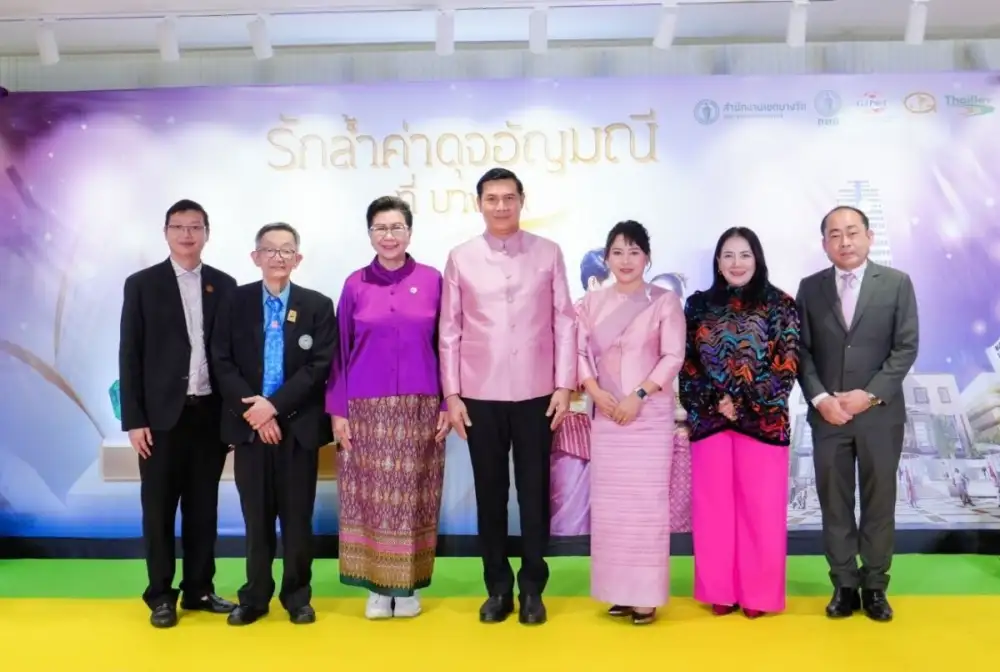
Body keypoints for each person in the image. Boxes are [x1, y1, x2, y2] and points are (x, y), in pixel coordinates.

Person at [439, 167, 576, 625]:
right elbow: (450, 330)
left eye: (509, 197)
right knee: (490, 494)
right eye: (492, 198)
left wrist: (564, 385)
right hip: (479, 393)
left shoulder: (548, 253)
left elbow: (565, 321)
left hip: (538, 392)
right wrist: (452, 394)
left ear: (522, 200)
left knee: (535, 494)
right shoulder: (461, 257)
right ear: (479, 203)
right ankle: (497, 588)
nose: (501, 206)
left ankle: (533, 587)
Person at [326, 196, 449, 620]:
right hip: (364, 408)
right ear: (369, 234)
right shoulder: (355, 284)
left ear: (410, 232)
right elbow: (340, 352)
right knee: (370, 497)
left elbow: (447, 345)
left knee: (414, 496)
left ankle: (408, 588)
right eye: (380, 227)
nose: (389, 235)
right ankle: (377, 589)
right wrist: (338, 411)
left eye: (397, 227)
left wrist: (448, 401)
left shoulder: (433, 280)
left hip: (421, 405)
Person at [118, 199, 237, 628]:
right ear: (166, 232)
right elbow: (129, 354)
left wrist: (233, 417)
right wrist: (134, 419)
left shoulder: (225, 284)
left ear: (207, 233)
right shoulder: (142, 284)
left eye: (195, 227)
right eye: (179, 227)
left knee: (204, 509)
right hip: (160, 420)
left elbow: (232, 354)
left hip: (209, 416)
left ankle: (199, 589)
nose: (187, 234)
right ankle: (160, 596)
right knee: (159, 510)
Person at [210, 222, 337, 626]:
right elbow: (221, 361)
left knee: (297, 520)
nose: (278, 257)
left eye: (286, 250)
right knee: (257, 519)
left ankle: (297, 596)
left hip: (297, 429)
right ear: (256, 257)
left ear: (298, 259)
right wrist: (256, 413)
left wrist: (274, 408)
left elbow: (319, 366)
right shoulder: (234, 302)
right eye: (270, 249)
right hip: (250, 430)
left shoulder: (318, 305)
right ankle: (255, 596)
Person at [796, 205, 918, 622]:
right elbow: (801, 352)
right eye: (835, 234)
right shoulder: (810, 288)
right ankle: (844, 584)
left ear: (869, 236)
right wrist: (820, 399)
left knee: (879, 503)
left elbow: (905, 347)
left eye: (852, 232)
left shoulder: (897, 283)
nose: (844, 241)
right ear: (824, 243)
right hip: (829, 417)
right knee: (834, 502)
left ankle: (876, 587)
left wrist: (870, 395)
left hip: (880, 416)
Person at [678, 227, 800, 619]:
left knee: (760, 511)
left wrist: (745, 402)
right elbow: (686, 361)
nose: (736, 263)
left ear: (757, 259)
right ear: (717, 262)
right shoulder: (697, 305)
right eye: (728, 255)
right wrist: (718, 401)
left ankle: (758, 594)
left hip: (763, 423)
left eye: (744, 255)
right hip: (710, 421)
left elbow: (786, 363)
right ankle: (720, 589)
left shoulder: (781, 304)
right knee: (713, 510)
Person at [577, 220, 685, 625]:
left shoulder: (664, 302)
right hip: (607, 414)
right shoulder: (589, 304)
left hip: (647, 415)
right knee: (611, 509)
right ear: (607, 258)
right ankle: (619, 591)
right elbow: (578, 353)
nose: (626, 260)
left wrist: (638, 395)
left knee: (645, 506)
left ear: (647, 258)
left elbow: (673, 356)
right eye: (618, 252)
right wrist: (594, 391)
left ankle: (646, 596)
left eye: (634, 252)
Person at [549, 248, 610, 538]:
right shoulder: (570, 319)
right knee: (569, 515)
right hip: (574, 425)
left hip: (612, 425)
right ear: (594, 281)